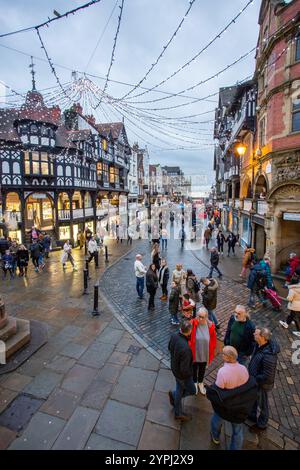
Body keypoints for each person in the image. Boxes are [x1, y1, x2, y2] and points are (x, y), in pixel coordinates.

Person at [207, 346, 257, 451]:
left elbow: (218, 389)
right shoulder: (243, 369)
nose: (221, 355)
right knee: (237, 431)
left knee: (216, 420)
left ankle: (215, 437)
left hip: (225, 407)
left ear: (228, 358)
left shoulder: (223, 372)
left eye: (223, 354)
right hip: (239, 408)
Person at [248, 328, 280, 432]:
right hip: (256, 382)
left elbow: (267, 376)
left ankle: (262, 424)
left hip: (262, 385)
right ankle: (252, 415)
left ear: (262, 337)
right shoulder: (259, 345)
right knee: (253, 399)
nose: (254, 334)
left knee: (263, 405)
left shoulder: (269, 355)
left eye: (256, 334)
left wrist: (255, 378)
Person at [168, 320, 197, 421]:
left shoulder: (174, 336)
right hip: (182, 375)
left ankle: (177, 408)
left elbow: (169, 348)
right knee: (192, 390)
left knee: (179, 389)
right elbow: (185, 370)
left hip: (174, 368)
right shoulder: (186, 349)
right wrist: (191, 374)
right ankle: (177, 407)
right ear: (189, 331)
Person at [189, 307, 217, 395]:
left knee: (202, 370)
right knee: (194, 369)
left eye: (202, 317)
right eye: (199, 316)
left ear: (206, 316)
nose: (200, 319)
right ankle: (194, 383)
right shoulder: (193, 323)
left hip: (205, 353)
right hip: (195, 353)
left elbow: (213, 340)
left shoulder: (210, 325)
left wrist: (211, 350)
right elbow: (188, 336)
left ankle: (200, 382)